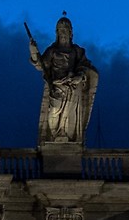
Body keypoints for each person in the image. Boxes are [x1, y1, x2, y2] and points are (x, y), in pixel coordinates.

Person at [28, 15, 97, 143]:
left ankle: (67, 140)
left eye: (66, 30)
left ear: (71, 33)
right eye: (60, 30)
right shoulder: (52, 51)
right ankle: (54, 138)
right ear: (57, 33)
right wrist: (33, 51)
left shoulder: (77, 51)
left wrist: (79, 76)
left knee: (70, 120)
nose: (63, 33)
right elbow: (40, 65)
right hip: (56, 87)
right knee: (53, 115)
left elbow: (86, 67)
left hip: (72, 88)